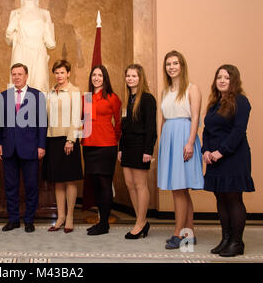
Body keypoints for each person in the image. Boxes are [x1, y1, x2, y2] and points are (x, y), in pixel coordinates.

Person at [202, 65, 254, 257]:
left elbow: (238, 131)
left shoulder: (241, 101)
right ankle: (225, 238)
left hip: (234, 157)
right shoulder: (214, 103)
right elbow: (207, 131)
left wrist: (220, 152)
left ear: (234, 81)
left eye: (227, 77)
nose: (222, 80)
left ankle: (236, 242)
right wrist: (205, 150)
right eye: (219, 77)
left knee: (233, 199)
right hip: (214, 159)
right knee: (220, 199)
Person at [158, 50, 204, 249]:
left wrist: (190, 142)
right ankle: (189, 233)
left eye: (175, 63)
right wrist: (161, 142)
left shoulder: (192, 89)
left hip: (184, 137)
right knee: (181, 190)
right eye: (168, 64)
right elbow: (163, 119)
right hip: (169, 139)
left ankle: (178, 233)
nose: (172, 67)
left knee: (179, 188)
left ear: (182, 66)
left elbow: (195, 118)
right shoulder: (165, 91)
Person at [0, 63, 47, 233]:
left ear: (26, 76)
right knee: (10, 186)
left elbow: (42, 123)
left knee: (31, 186)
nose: (17, 77)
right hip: (9, 148)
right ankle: (13, 219)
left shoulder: (37, 96)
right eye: (14, 74)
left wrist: (41, 145)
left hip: (31, 148)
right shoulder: (4, 96)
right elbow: (0, 123)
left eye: (20, 74)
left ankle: (29, 220)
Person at [43, 60, 83, 233]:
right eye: (56, 72)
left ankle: (70, 217)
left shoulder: (74, 91)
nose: (59, 75)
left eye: (62, 72)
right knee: (58, 180)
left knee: (70, 179)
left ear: (68, 73)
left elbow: (76, 117)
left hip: (68, 140)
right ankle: (60, 217)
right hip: (52, 139)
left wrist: (71, 139)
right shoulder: (50, 93)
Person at [81, 65, 122, 235]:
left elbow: (119, 123)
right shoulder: (86, 98)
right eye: (94, 75)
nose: (96, 78)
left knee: (105, 184)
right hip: (89, 146)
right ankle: (100, 221)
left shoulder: (113, 98)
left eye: (100, 75)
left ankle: (104, 223)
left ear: (105, 78)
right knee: (96, 185)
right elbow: (81, 120)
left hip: (106, 147)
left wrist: (115, 140)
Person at [118, 64, 156, 239]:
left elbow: (151, 128)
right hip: (126, 147)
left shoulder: (148, 99)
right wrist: (120, 149)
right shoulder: (128, 100)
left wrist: (148, 150)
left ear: (140, 79)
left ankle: (140, 223)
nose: (130, 79)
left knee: (141, 185)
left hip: (141, 147)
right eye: (128, 76)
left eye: (134, 76)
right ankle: (140, 220)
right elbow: (123, 129)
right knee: (129, 184)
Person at [6, 0, 56, 92]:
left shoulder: (45, 14)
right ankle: (17, 110)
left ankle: (39, 110)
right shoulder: (15, 13)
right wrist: (9, 30)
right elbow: (9, 41)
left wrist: (46, 29)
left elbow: (51, 44)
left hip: (39, 52)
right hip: (20, 52)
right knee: (18, 87)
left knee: (40, 86)